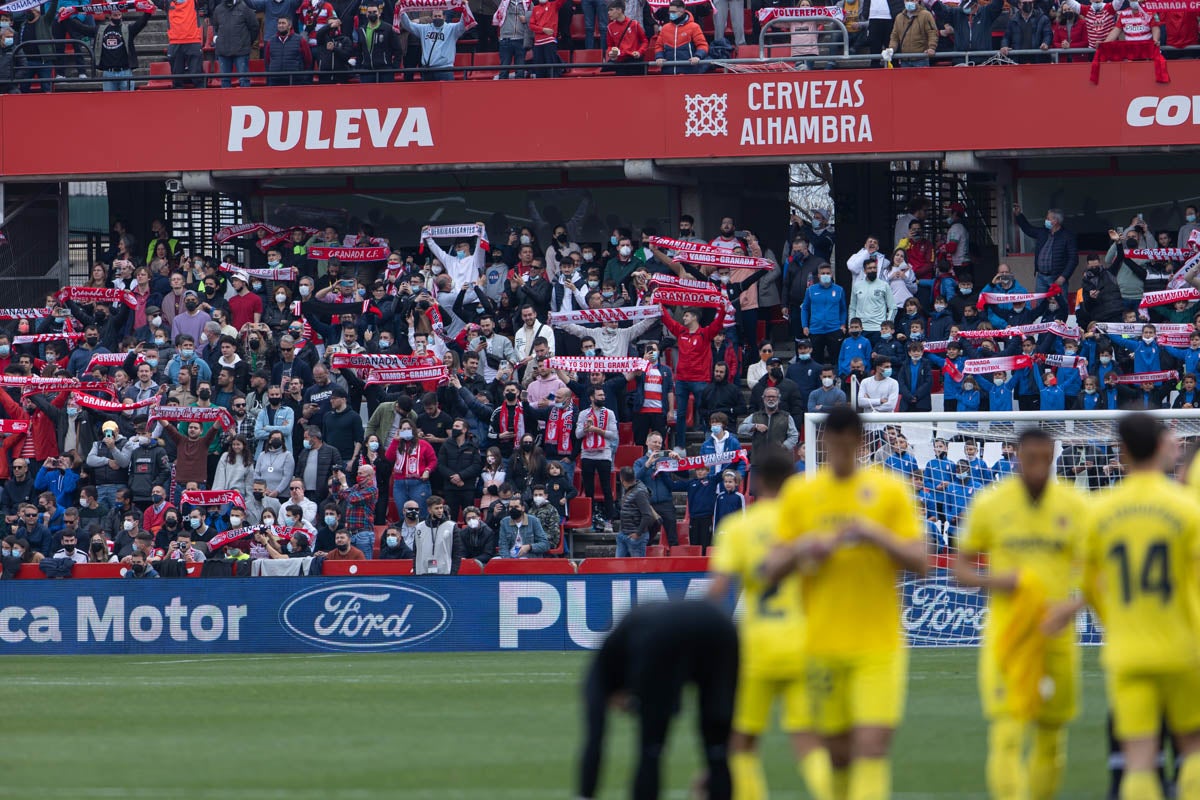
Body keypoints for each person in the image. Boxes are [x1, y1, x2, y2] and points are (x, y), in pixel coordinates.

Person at [765, 406, 925, 800]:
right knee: (837, 756)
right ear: (823, 443)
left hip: (879, 644)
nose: (839, 453)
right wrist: (806, 546)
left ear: (860, 443)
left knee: (871, 747)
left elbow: (922, 561)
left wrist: (875, 534)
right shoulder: (801, 494)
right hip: (821, 644)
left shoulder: (889, 490)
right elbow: (769, 569)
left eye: (847, 445)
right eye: (832, 445)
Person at [1040, 413, 1200, 800]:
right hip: (1183, 645)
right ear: (1163, 448)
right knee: (1192, 747)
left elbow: (1092, 585)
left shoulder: (1098, 510)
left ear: (1122, 451)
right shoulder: (1187, 508)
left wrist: (1115, 619)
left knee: (1139, 758)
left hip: (1127, 649)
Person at [954, 428, 1088, 800]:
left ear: (1053, 457)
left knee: (1051, 736)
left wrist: (1072, 605)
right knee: (1008, 733)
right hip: (1008, 634)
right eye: (1029, 458)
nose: (1037, 466)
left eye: (1044, 458)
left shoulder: (1075, 505)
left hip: (1056, 633)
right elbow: (960, 570)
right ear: (1016, 457)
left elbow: (1101, 572)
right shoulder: (990, 503)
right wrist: (997, 580)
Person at [707, 445, 831, 800]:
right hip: (803, 643)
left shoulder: (739, 528)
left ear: (757, 481)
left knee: (742, 741)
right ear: (793, 481)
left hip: (756, 646)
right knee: (807, 739)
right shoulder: (808, 526)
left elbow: (717, 593)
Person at [577, 599, 738, 800]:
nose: (625, 708)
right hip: (719, 624)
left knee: (650, 750)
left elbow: (595, 737)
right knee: (717, 750)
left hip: (662, 633)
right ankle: (717, 760)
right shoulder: (625, 646)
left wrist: (585, 794)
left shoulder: (600, 673)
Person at [1013, 204, 1079, 299]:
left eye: (1048, 218)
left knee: (1061, 306)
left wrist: (1063, 277)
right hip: (1041, 277)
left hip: (1057, 278)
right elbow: (1028, 229)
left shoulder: (1067, 236)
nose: (1046, 220)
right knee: (1040, 304)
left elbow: (1073, 259)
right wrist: (1019, 215)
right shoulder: (1043, 232)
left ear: (1055, 221)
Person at [576, 386, 618, 531]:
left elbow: (613, 435)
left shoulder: (610, 413)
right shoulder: (583, 414)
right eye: (599, 395)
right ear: (592, 398)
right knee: (589, 489)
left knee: (606, 488)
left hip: (604, 453)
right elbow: (577, 434)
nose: (602, 397)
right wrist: (586, 429)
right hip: (587, 454)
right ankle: (591, 520)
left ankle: (609, 521)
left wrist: (597, 430)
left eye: (603, 395)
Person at [399, 6, 469, 82]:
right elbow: (408, 25)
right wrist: (401, 9)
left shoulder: (452, 29)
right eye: (435, 16)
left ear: (444, 17)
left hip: (445, 70)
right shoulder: (424, 28)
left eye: (439, 16)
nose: (437, 18)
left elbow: (463, 24)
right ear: (432, 18)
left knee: (446, 94)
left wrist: (465, 7)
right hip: (428, 70)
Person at [210, 0, 258, 87]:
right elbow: (216, 27)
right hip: (223, 51)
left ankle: (245, 100)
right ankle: (225, 100)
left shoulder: (245, 8)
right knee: (224, 80)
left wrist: (246, 42)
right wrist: (217, 39)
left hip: (241, 52)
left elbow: (254, 27)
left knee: (244, 80)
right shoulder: (218, 9)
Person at [654, 0, 708, 74]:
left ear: (682, 12)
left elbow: (702, 45)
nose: (670, 14)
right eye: (670, 12)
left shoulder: (694, 27)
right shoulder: (665, 28)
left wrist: (698, 56)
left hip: (689, 72)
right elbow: (658, 46)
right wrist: (659, 57)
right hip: (668, 72)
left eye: (673, 12)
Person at [412, 495, 460, 574]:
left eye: (441, 508)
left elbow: (457, 553)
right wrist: (415, 571)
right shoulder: (419, 528)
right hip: (422, 573)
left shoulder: (451, 526)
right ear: (429, 510)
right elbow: (415, 553)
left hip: (445, 573)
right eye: (436, 508)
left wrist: (453, 573)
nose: (440, 511)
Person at [263, 16, 313, 86]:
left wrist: (298, 71)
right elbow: (268, 60)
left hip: (295, 80)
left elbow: (308, 60)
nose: (281, 25)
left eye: (283, 23)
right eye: (279, 23)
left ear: (289, 26)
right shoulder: (270, 41)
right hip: (275, 80)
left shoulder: (300, 40)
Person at [603, 0, 647, 75]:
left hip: (634, 61)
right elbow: (610, 45)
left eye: (611, 10)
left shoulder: (634, 24)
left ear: (619, 10)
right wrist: (611, 52)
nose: (608, 13)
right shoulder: (610, 27)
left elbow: (644, 41)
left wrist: (639, 52)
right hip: (620, 62)